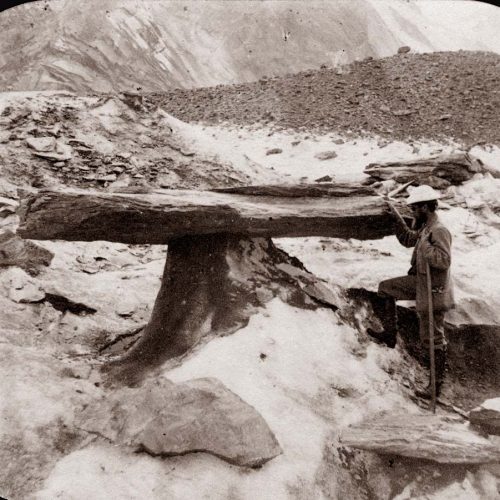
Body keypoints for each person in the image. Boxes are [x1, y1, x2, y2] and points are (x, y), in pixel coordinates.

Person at [367, 185, 454, 399]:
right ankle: (390, 335)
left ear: (426, 207)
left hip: (433, 289)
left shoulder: (439, 229)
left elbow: (443, 261)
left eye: (415, 209)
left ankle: (435, 387)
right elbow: (407, 239)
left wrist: (425, 247)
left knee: (432, 338)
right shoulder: (427, 226)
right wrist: (395, 216)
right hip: (420, 281)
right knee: (386, 288)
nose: (413, 213)